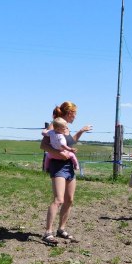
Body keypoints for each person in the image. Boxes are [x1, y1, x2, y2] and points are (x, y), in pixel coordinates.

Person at [40, 101, 93, 244]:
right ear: (69, 113)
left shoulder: (66, 128)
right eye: (74, 114)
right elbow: (43, 145)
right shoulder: (54, 126)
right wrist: (59, 153)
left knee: (69, 199)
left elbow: (70, 142)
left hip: (69, 165)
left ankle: (61, 229)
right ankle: (47, 232)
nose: (75, 117)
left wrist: (81, 131)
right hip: (57, 165)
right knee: (59, 200)